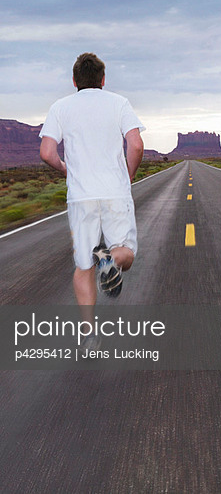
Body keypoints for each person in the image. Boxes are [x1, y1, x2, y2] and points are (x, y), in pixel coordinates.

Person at [39, 52, 145, 350]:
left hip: (80, 196)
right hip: (114, 191)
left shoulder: (60, 107)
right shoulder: (119, 103)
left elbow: (47, 152)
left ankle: (89, 337)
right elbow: (136, 145)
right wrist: (128, 176)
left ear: (74, 81)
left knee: (83, 264)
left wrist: (65, 169)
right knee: (126, 251)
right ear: (102, 80)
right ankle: (111, 260)